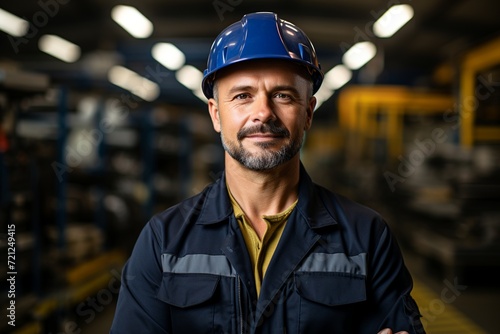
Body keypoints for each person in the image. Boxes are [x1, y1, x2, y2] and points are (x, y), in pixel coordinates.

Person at [110, 12, 425, 334]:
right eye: (243, 96)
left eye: (283, 95)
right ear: (216, 115)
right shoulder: (164, 240)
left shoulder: (366, 236)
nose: (263, 112)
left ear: (308, 114)